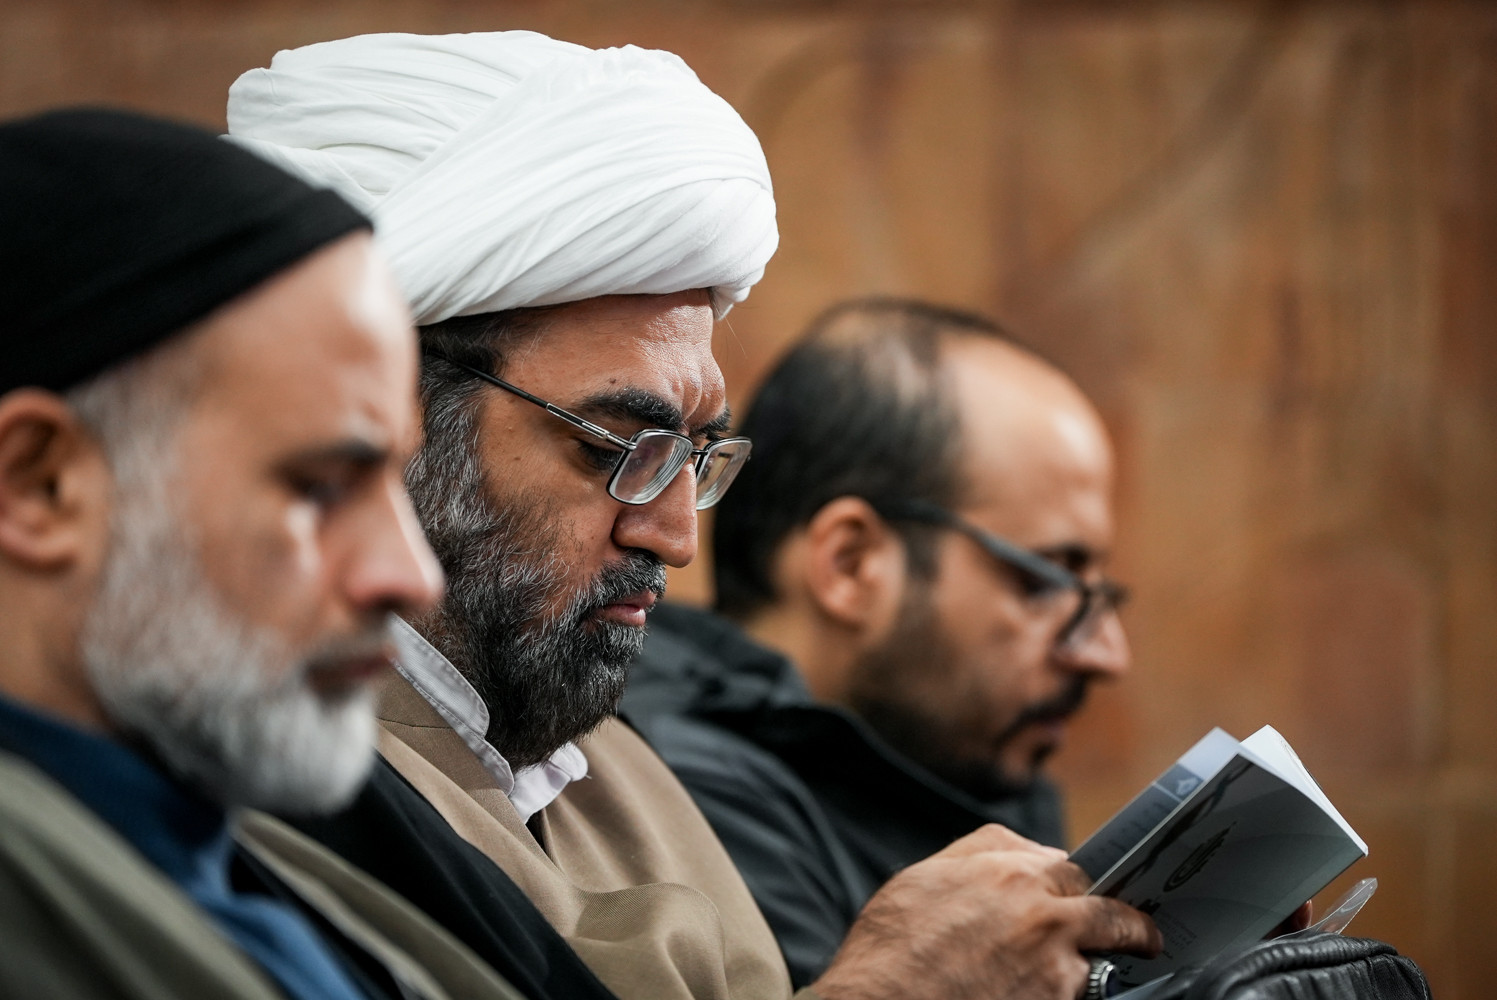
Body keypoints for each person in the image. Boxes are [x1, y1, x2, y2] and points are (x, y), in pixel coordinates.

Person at [226, 31, 1161, 1000]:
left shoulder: (621, 771)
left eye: (695, 456)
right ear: (383, 421)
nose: (674, 537)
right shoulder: (241, 780)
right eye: (613, 449)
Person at [0, 107, 587, 1000]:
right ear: (40, 486)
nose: (408, 575)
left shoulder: (220, 841)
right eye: (320, 488)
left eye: (392, 481)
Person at [621, 298, 1132, 985]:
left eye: (1097, 594)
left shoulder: (959, 752)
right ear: (851, 564)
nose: (1106, 654)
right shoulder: (679, 795)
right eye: (1046, 580)